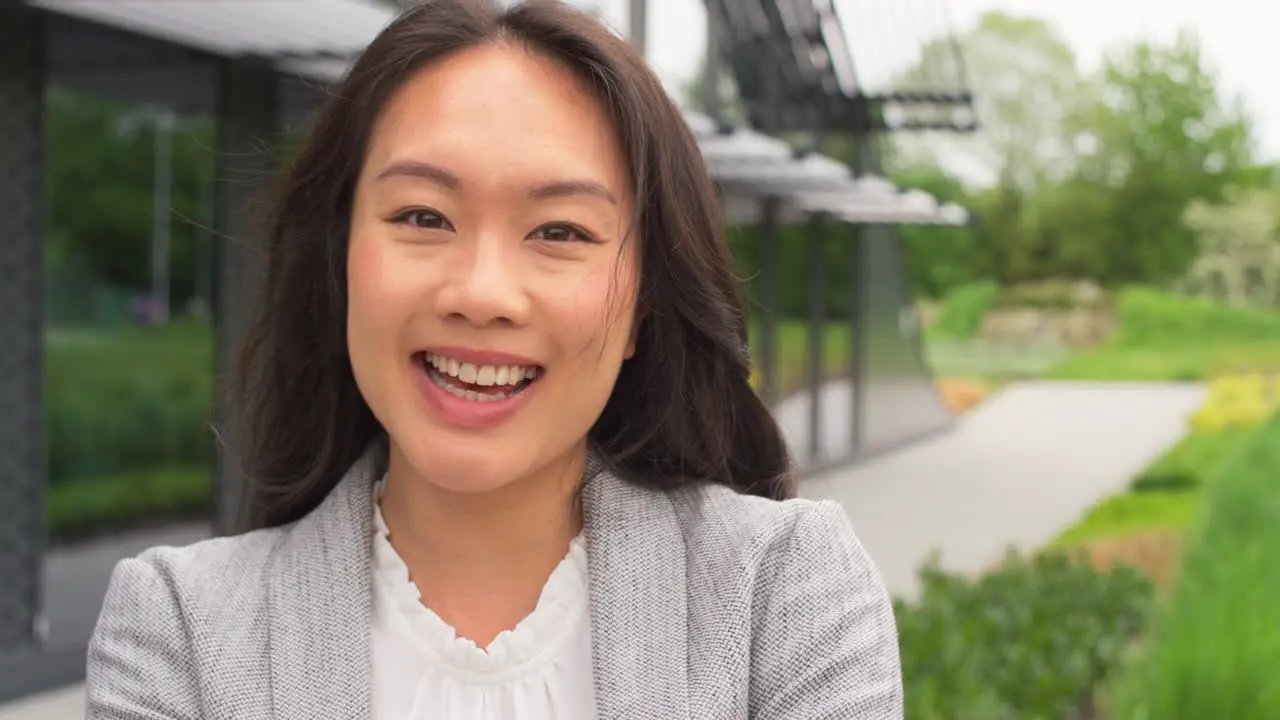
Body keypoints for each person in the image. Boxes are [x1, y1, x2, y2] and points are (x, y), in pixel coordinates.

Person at [85, 0, 903, 717]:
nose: (482, 293)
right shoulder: (181, 628)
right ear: (340, 260)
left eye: (559, 232)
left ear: (644, 303)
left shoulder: (782, 594)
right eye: (422, 216)